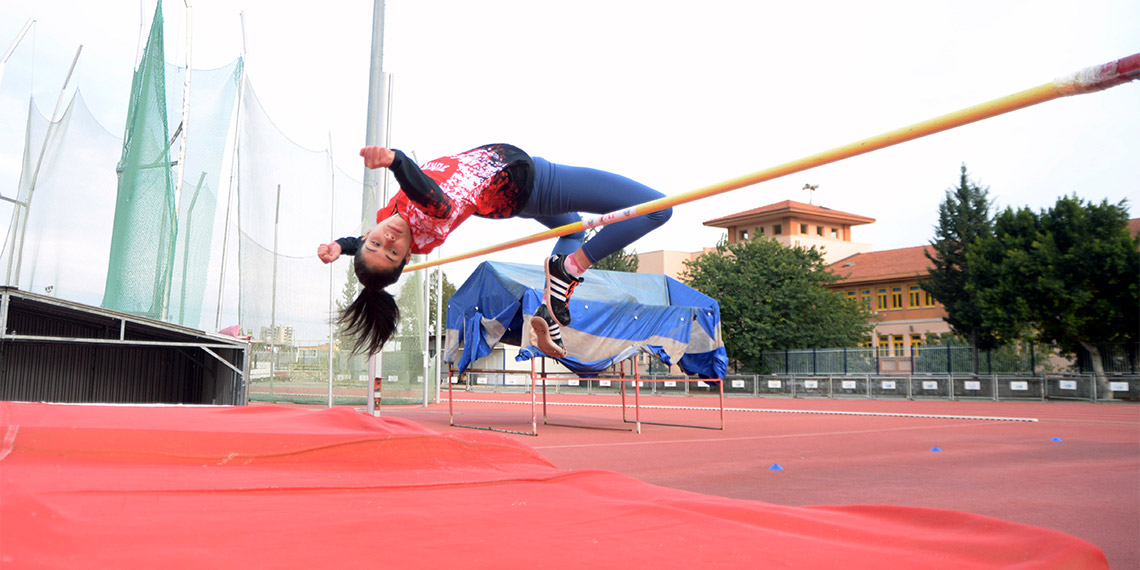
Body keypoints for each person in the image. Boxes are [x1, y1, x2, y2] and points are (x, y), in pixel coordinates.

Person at [318, 143, 671, 358]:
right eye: (393, 253)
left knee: (573, 229)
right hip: (538, 184)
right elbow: (427, 192)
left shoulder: (389, 222)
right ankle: (570, 269)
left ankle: (548, 308)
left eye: (376, 243)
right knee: (657, 208)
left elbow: (362, 245)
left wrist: (339, 246)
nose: (388, 239)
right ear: (408, 257)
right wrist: (396, 161)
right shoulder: (432, 219)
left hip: (515, 195)